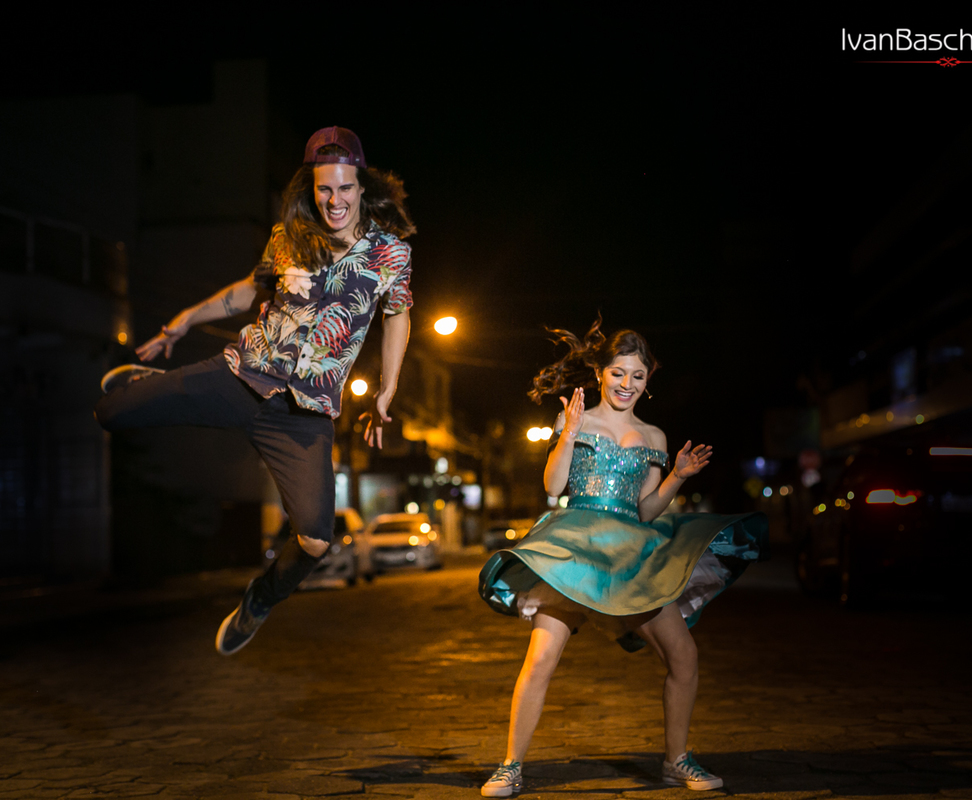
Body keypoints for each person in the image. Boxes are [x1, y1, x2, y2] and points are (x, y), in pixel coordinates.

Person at [95, 126, 415, 655]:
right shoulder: (289, 237)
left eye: (345, 188)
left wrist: (388, 387)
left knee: (315, 540)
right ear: (313, 189)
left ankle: (258, 602)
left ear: (363, 187)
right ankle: (154, 386)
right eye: (324, 189)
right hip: (241, 376)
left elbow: (398, 315)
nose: (335, 200)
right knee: (109, 412)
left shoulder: (390, 254)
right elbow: (248, 291)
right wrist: (185, 320)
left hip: (303, 416)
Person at [477, 317, 767, 796]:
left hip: (630, 552)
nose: (627, 383)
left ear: (648, 379)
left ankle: (676, 760)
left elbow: (647, 511)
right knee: (541, 658)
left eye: (637, 375)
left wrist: (677, 476)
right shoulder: (576, 419)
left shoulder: (654, 436)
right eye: (618, 372)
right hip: (573, 548)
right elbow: (553, 487)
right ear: (600, 373)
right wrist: (568, 434)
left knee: (684, 655)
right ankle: (510, 765)